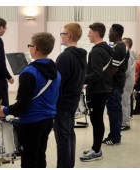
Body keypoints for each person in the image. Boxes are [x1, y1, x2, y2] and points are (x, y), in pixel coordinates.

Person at [0, 32, 61, 168]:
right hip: (48, 120)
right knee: (40, 154)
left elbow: (22, 105)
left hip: (31, 122)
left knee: (29, 158)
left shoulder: (28, 73)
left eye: (30, 45)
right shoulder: (56, 72)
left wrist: (6, 110)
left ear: (35, 48)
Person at [53, 23, 87, 168]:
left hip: (63, 102)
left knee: (63, 137)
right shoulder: (81, 55)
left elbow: (57, 82)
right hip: (73, 100)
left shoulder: (65, 57)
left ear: (69, 36)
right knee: (68, 134)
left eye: (63, 33)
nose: (61, 36)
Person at [80, 22, 113, 162]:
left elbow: (96, 73)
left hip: (98, 90)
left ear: (96, 34)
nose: (88, 35)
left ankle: (96, 150)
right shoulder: (106, 49)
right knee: (97, 120)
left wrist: (81, 81)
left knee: (97, 120)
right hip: (103, 88)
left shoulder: (97, 51)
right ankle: (96, 147)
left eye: (90, 32)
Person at [103, 24, 128, 145]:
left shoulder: (118, 48)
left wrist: (103, 79)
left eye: (110, 31)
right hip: (117, 83)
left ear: (116, 33)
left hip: (115, 85)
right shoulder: (121, 46)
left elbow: (114, 69)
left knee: (114, 111)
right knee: (115, 111)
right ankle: (114, 135)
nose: (108, 33)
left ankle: (114, 137)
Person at [121, 38, 136, 131]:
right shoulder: (131, 55)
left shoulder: (129, 56)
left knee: (124, 103)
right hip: (129, 82)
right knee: (127, 102)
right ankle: (126, 121)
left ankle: (125, 123)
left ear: (127, 45)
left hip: (126, 82)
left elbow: (126, 71)